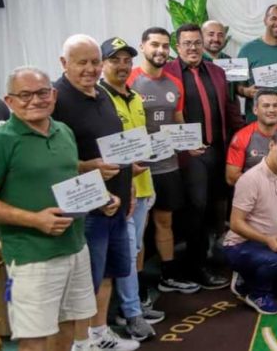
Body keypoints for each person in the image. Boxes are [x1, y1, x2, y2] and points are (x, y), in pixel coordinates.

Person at [0, 67, 108, 351]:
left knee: (69, 324)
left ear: (53, 95)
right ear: (9, 101)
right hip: (33, 255)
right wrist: (34, 220)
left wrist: (98, 192)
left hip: (75, 247)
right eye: (25, 95)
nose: (35, 100)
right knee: (35, 338)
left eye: (42, 92)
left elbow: (64, 172)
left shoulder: (63, 131)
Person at [51, 34, 139, 350]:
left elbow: (115, 145)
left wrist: (127, 185)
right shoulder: (55, 99)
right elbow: (50, 159)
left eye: (94, 62)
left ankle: (100, 333)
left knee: (108, 274)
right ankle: (80, 341)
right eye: (82, 62)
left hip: (116, 202)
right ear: (64, 63)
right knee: (84, 282)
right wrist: (86, 167)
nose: (90, 69)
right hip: (86, 209)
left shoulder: (101, 93)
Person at [165, 23, 245, 290]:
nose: (193, 48)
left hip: (217, 149)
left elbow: (228, 106)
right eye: (186, 43)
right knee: (196, 208)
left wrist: (249, 132)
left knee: (215, 206)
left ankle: (211, 258)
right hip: (188, 155)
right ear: (177, 47)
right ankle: (196, 265)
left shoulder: (217, 72)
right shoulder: (167, 74)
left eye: (197, 43)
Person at [126, 27, 201, 296]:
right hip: (139, 168)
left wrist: (188, 143)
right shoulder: (130, 80)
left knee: (165, 222)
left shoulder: (174, 82)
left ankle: (168, 276)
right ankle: (138, 286)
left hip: (168, 164)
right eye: (154, 45)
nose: (160, 50)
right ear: (143, 46)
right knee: (138, 227)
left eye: (165, 45)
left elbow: (177, 121)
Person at [98, 37, 163, 341]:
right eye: (115, 60)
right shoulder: (99, 98)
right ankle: (131, 313)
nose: (122, 66)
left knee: (135, 249)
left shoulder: (135, 97)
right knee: (124, 252)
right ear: (103, 63)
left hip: (143, 184)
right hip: (119, 190)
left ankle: (131, 305)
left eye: (126, 60)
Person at [223, 127, 277, 314]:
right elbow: (236, 223)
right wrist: (267, 240)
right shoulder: (249, 179)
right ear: (271, 145)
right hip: (241, 245)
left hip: (276, 244)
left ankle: (248, 278)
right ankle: (258, 294)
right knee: (276, 260)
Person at [226, 89, 277, 186]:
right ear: (255, 110)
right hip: (252, 194)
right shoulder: (241, 136)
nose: (271, 110)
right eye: (266, 106)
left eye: (275, 105)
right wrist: (264, 186)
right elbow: (231, 177)